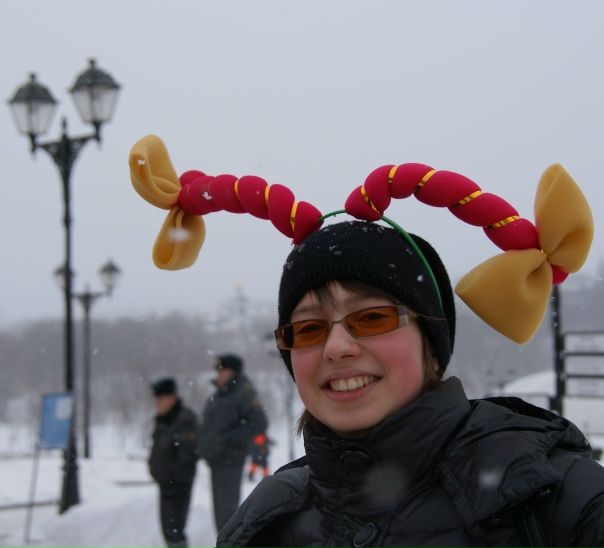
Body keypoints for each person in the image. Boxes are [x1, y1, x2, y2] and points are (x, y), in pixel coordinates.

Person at [129, 135, 603, 546]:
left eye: (372, 318)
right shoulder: (265, 521)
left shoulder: (552, 497)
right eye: (309, 328)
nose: (337, 348)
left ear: (430, 339)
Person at [197, 354, 268, 532]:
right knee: (220, 515)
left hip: (230, 459)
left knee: (227, 516)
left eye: (222, 370)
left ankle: (229, 542)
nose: (218, 374)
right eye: (218, 370)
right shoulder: (220, 394)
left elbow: (259, 422)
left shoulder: (244, 393)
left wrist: (227, 441)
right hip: (216, 460)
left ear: (233, 372)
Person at [148, 377, 198, 548]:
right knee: (169, 530)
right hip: (166, 485)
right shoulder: (164, 420)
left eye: (160, 398)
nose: (157, 403)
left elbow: (187, 457)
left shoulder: (184, 419)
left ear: (171, 397)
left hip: (178, 487)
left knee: (175, 531)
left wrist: (174, 481)